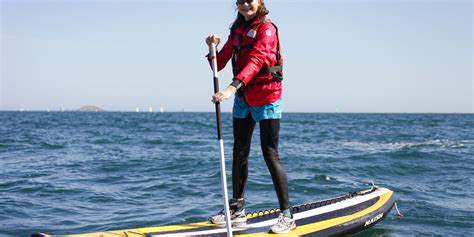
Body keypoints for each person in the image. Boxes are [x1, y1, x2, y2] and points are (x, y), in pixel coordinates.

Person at [205, 0, 295, 234]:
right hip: (244, 98)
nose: (245, 4)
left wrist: (230, 89)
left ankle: (287, 215)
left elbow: (256, 61)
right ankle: (236, 210)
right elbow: (220, 62)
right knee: (239, 152)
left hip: (267, 97)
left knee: (270, 153)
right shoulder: (237, 30)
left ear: (260, 2)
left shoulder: (267, 29)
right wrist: (212, 49)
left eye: (249, 0)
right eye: (240, 1)